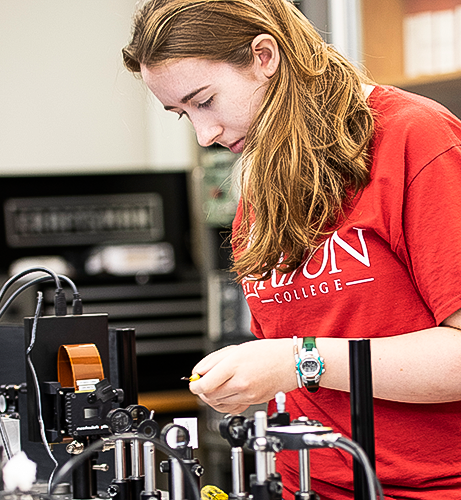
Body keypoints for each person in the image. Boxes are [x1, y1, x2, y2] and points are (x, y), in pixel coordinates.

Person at [122, 0, 461, 498]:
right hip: (305, 483)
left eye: (206, 100)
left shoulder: (415, 139)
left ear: (265, 56)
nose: (205, 133)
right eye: (182, 114)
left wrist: (298, 360)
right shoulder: (265, 176)